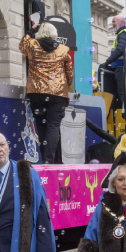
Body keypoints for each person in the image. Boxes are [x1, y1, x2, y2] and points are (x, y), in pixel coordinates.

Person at [20, 22, 74, 164]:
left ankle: (45, 159)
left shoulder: (32, 45)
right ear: (54, 34)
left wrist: (31, 30)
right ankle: (48, 160)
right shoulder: (63, 49)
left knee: (41, 125)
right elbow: (69, 72)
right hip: (57, 93)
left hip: (36, 92)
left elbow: (21, 45)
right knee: (53, 126)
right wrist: (67, 84)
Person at [102, 15, 126, 112]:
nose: (112, 24)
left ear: (121, 22)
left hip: (121, 67)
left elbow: (120, 49)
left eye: (114, 21)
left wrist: (108, 61)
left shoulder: (123, 34)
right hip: (121, 67)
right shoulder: (123, 33)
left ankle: (124, 114)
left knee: (121, 92)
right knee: (122, 91)